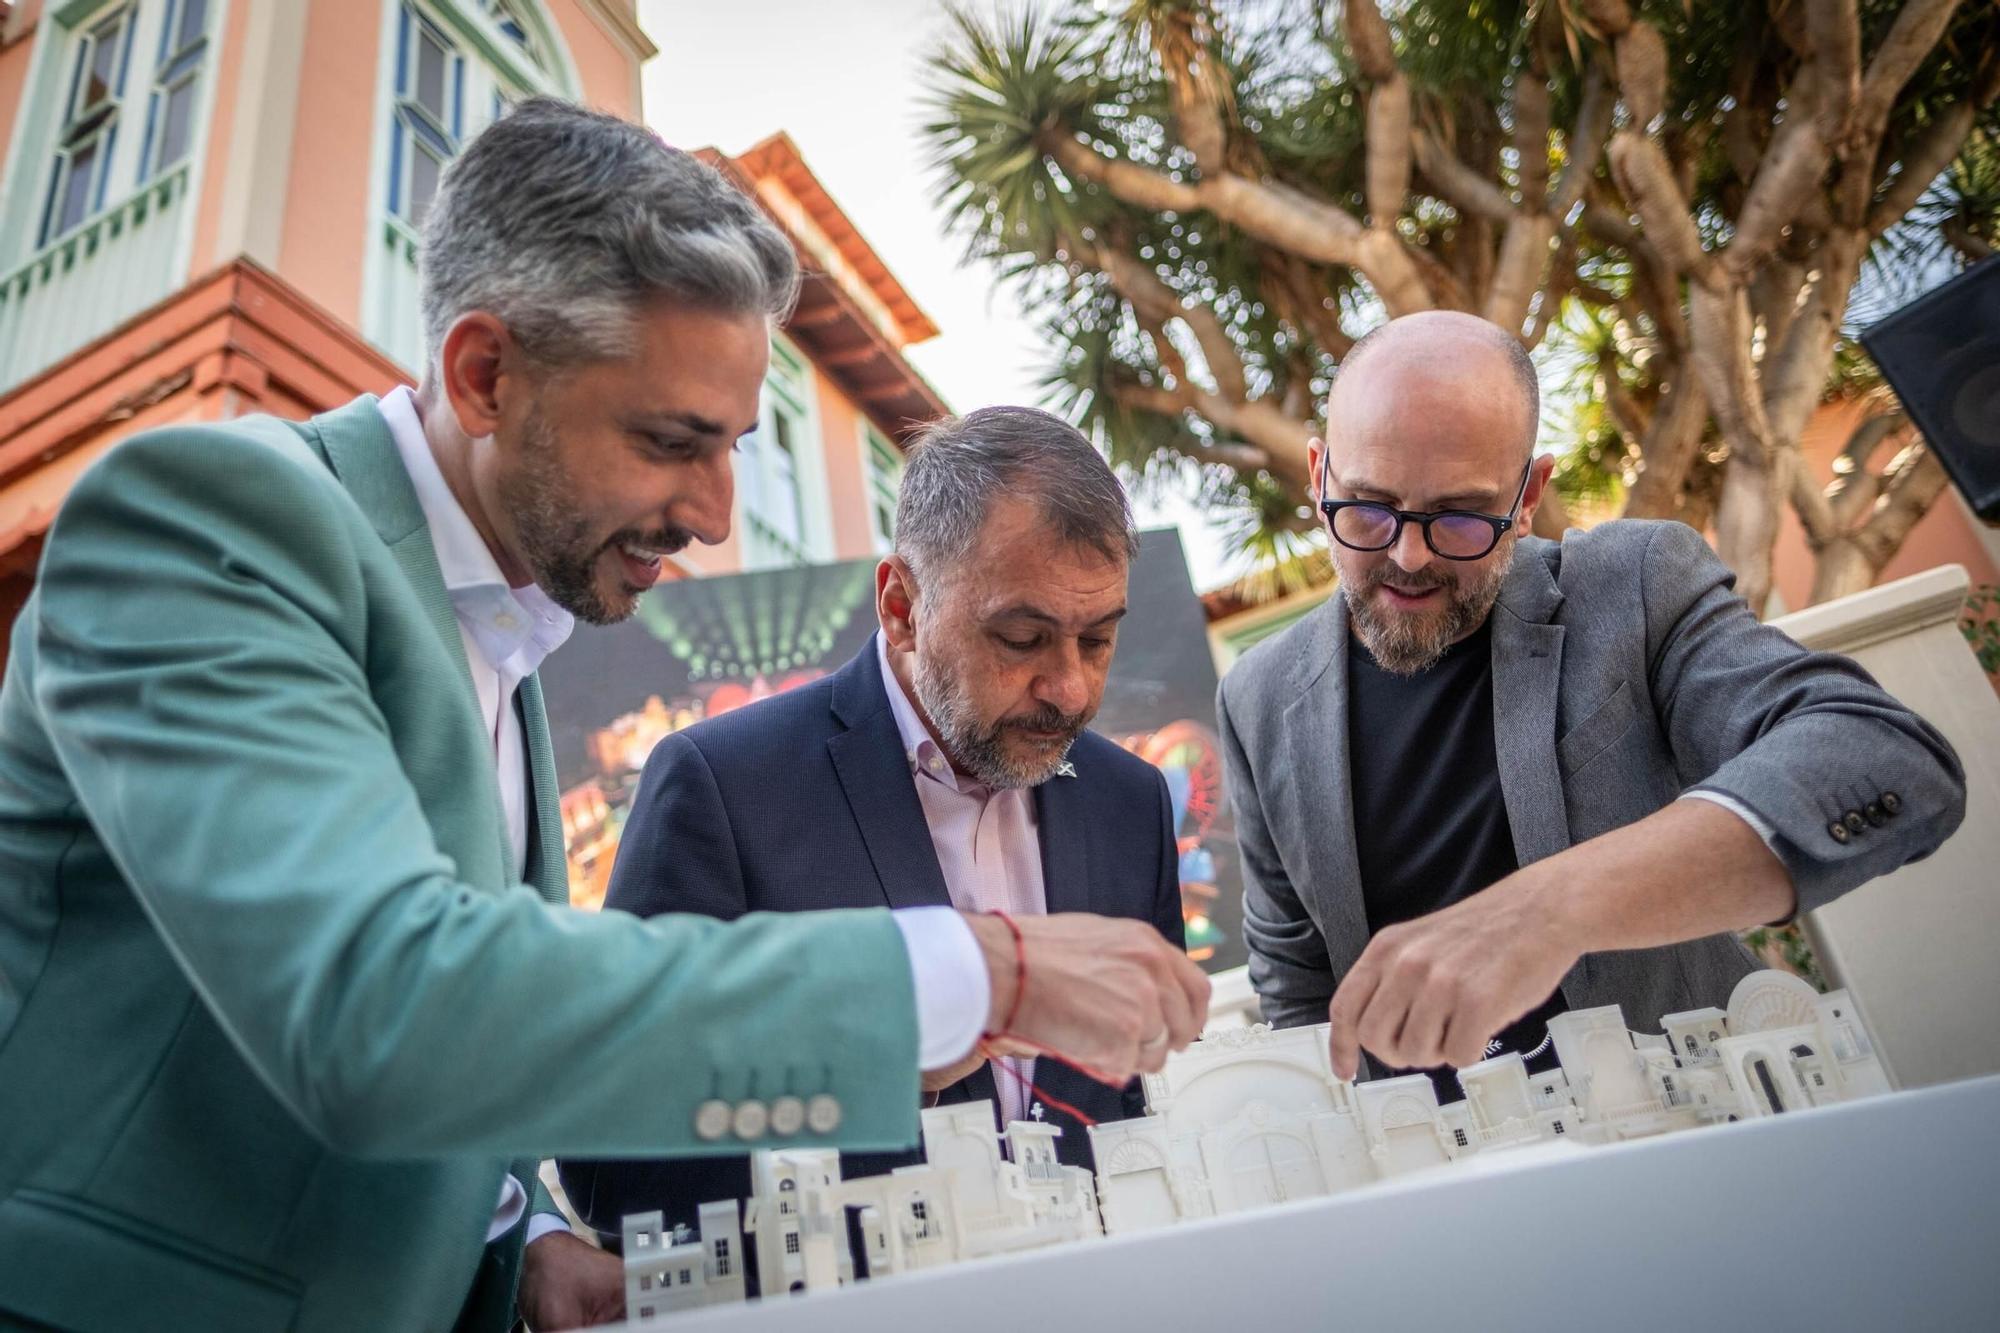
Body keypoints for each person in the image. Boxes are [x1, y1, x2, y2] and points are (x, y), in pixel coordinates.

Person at [0, 99, 1207, 1333]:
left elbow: (446, 1071)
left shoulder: (507, 635)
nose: (715, 513)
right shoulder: (213, 523)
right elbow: (377, 1008)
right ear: (484, 374)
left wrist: (513, 1239)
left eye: (736, 446)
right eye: (671, 441)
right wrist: (978, 972)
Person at [1216, 310, 1964, 1099]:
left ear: (1529, 492)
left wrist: (1545, 910)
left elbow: (1883, 755)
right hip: (1447, 1183)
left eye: (1462, 518)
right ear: (1318, 473)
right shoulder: (1257, 697)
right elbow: (1298, 987)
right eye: (1366, 510)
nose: (1409, 556)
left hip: (1690, 1135)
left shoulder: (1633, 586)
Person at [561, 407, 1186, 1262]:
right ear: (901, 606)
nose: (1071, 689)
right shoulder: (721, 784)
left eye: (1100, 638)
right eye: (1022, 637)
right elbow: (615, 1165)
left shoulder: (1134, 801)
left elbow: (1144, 1107)